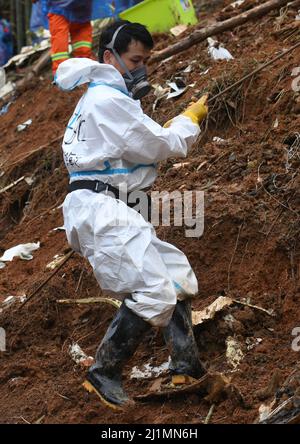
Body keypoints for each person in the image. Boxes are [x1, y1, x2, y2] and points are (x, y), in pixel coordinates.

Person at [55, 20, 209, 411]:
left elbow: (137, 151)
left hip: (102, 203)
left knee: (174, 272)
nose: (141, 69)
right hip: (98, 207)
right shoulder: (108, 100)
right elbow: (160, 144)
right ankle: (103, 371)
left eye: (145, 60)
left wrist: (173, 128)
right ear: (110, 57)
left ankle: (185, 366)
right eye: (134, 60)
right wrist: (189, 121)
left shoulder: (101, 98)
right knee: (154, 291)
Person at [32, 0, 93, 74]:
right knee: (81, 35)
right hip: (81, 5)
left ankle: (62, 73)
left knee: (60, 40)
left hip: (59, 6)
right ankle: (84, 69)